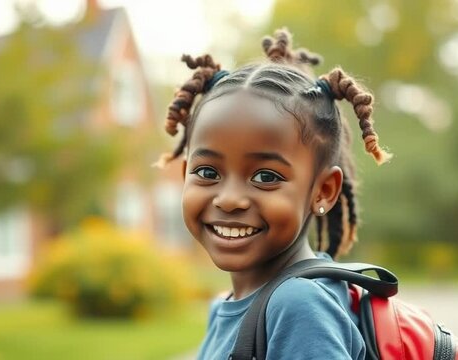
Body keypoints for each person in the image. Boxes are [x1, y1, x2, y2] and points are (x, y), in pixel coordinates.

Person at [156, 28, 392, 359]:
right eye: (208, 173)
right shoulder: (233, 305)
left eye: (265, 176)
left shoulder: (298, 307)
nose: (229, 199)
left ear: (323, 192)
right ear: (185, 176)